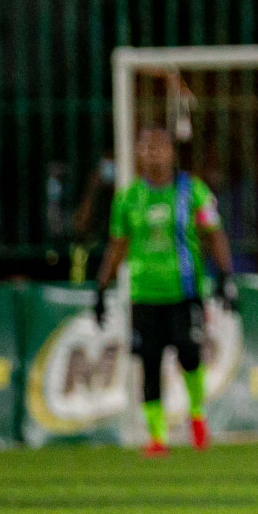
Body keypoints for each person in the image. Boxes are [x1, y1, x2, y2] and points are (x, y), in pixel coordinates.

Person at [95, 127, 239, 456]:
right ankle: (157, 437)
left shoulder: (193, 191)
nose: (153, 154)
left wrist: (225, 277)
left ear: (171, 152)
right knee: (149, 362)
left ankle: (197, 416)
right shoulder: (128, 197)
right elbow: (117, 246)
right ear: (138, 154)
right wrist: (101, 289)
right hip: (144, 295)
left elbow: (213, 233)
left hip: (184, 292)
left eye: (159, 147)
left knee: (190, 353)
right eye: (146, 148)